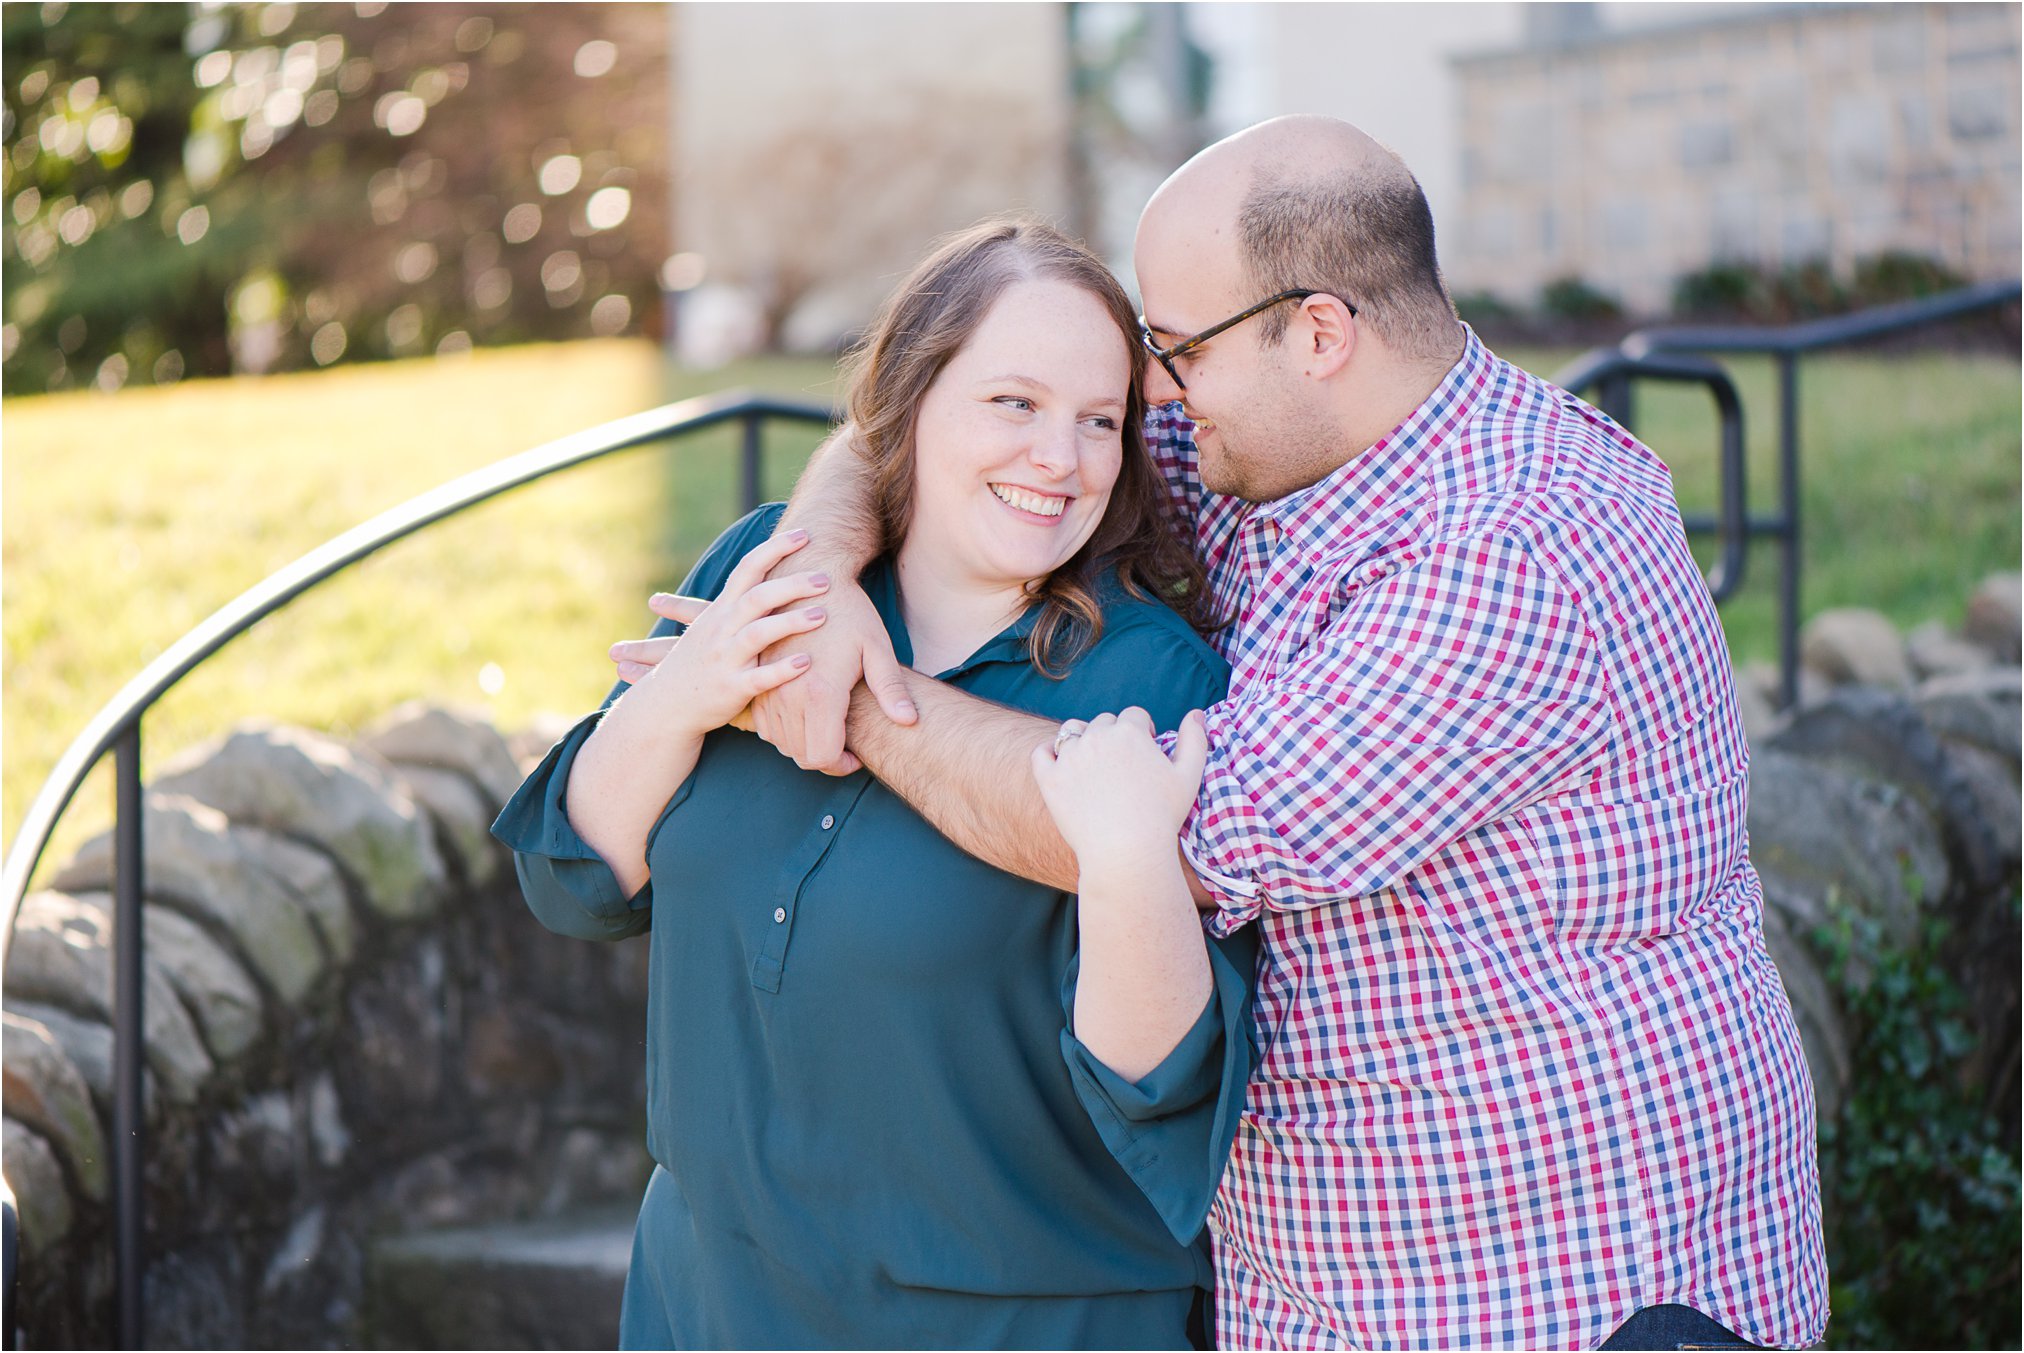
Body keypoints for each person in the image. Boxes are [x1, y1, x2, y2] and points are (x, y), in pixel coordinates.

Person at [657, 116, 1831, 1349]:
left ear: (1318, 333)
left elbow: (1146, 835)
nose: (1152, 390)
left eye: (1174, 350)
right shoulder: (1275, 440)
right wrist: (826, 574)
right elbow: (924, 428)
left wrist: (837, 685)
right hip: (1322, 1284)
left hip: (1558, 1284)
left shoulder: (1520, 544)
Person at [492, 217, 1257, 1350]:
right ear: (910, 399)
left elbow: (1160, 1083)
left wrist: (1127, 857)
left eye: (1100, 421)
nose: (1062, 457)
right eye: (1015, 404)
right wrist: (684, 693)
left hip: (1015, 1320)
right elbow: (571, 882)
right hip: (712, 1294)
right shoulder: (771, 573)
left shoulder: (1147, 680)